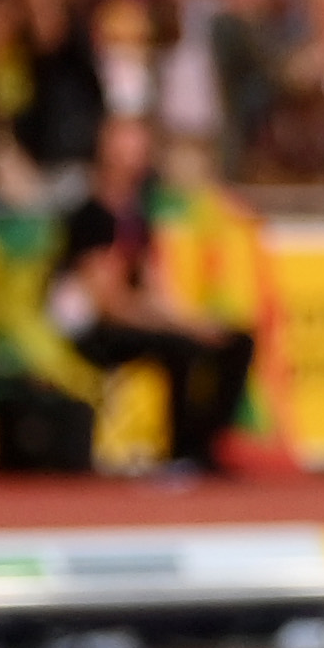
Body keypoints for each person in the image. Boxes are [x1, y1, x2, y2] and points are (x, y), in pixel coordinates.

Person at [48, 111, 253, 473]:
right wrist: (177, 328)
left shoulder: (137, 213)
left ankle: (204, 447)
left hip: (129, 319)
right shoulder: (91, 213)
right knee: (180, 349)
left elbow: (150, 287)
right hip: (85, 331)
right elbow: (109, 303)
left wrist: (191, 322)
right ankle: (181, 453)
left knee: (235, 342)